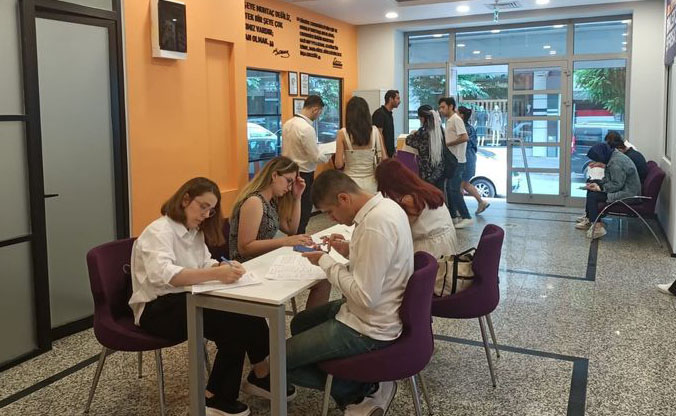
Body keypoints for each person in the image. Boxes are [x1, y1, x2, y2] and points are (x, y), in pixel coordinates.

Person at [128, 177, 294, 416]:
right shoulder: (159, 231)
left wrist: (222, 266)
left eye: (211, 210)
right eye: (203, 206)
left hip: (187, 297)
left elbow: (204, 261)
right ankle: (219, 395)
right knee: (234, 323)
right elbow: (164, 276)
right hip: (157, 309)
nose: (206, 215)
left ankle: (258, 375)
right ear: (185, 200)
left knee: (247, 309)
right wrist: (215, 274)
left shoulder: (193, 230)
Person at [286, 170, 414, 415]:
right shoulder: (386, 207)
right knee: (301, 323)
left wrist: (325, 261)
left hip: (369, 326)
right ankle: (350, 376)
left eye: (330, 211)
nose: (331, 217)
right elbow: (379, 260)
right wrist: (349, 249)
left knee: (280, 361)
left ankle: (358, 390)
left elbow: (366, 297)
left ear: (344, 198)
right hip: (377, 310)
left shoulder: (375, 225)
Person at [229, 156, 331, 308]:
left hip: (265, 260)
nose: (289, 187)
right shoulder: (254, 201)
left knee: (323, 278)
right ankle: (308, 322)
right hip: (249, 267)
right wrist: (284, 241)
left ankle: (311, 321)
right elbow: (245, 248)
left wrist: (297, 197)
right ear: (275, 175)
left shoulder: (271, 201)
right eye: (288, 181)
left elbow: (291, 229)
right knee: (321, 280)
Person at [376, 158, 457, 258]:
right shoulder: (425, 189)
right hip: (447, 239)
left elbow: (402, 230)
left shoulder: (409, 200)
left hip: (431, 248)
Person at [282, 95, 331, 234]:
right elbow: (315, 157)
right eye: (320, 112)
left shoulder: (288, 123)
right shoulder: (307, 129)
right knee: (303, 210)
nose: (319, 115)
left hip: (288, 172)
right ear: (315, 109)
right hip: (304, 175)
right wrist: (328, 154)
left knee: (291, 210)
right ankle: (299, 237)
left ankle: (293, 236)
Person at [576, 143, 641, 239]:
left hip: (627, 194)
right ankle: (590, 219)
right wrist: (598, 183)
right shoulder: (613, 156)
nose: (597, 162)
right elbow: (610, 179)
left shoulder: (616, 163)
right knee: (592, 186)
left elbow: (616, 184)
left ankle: (597, 227)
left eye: (597, 159)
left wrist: (600, 187)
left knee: (593, 196)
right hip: (624, 189)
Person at [334, 96, 388, 193]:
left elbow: (338, 164)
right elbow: (384, 159)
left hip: (350, 183)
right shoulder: (375, 131)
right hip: (372, 183)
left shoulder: (342, 133)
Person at [439, 97, 473, 229]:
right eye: (440, 107)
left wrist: (448, 144)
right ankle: (453, 216)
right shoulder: (449, 121)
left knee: (454, 189)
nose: (441, 110)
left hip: (458, 160)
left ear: (451, 107)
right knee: (449, 189)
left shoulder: (456, 119)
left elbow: (465, 137)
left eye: (443, 107)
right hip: (452, 160)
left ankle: (466, 216)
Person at [405, 105, 446, 193]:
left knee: (428, 194)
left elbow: (408, 141)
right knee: (438, 194)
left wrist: (413, 133)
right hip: (439, 169)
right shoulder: (440, 130)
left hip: (426, 170)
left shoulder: (423, 131)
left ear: (423, 118)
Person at [458, 106, 490, 215]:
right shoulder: (470, 128)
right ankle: (481, 202)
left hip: (466, 159)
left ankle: (460, 211)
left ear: (461, 115)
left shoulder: (463, 129)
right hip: (471, 157)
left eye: (457, 113)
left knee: (460, 185)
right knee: (465, 184)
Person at [372, 89, 400, 158]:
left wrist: (393, 151)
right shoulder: (380, 114)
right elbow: (379, 135)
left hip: (389, 153)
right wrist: (384, 154)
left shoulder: (389, 114)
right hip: (382, 155)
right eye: (397, 98)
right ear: (391, 99)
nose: (399, 101)